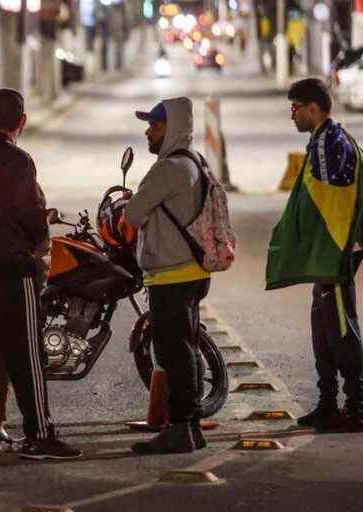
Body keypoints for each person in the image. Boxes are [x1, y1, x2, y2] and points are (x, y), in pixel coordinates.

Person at [0, 88, 81, 460]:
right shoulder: (20, 163)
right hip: (9, 275)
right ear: (21, 122)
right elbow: (33, 219)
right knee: (27, 359)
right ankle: (39, 434)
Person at [266, 78, 363, 432]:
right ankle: (327, 404)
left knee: (341, 333)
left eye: (295, 108)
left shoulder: (328, 144)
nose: (292, 115)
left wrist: (357, 245)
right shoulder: (327, 139)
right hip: (329, 256)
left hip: (334, 257)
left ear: (313, 108)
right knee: (324, 333)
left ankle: (357, 408)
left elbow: (341, 201)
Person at [125, 97, 210, 454]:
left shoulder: (169, 169)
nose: (148, 131)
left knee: (173, 354)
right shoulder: (195, 162)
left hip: (171, 275)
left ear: (171, 128)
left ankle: (179, 430)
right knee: (184, 350)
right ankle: (190, 427)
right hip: (191, 271)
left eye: (155, 126)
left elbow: (132, 213)